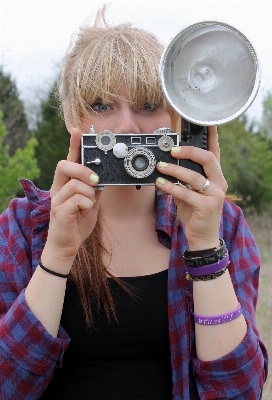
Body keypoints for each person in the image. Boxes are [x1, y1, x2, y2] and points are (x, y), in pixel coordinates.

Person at [0, 5, 268, 399]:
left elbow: (238, 390)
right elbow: (8, 386)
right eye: (103, 106)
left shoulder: (219, 223)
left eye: (147, 106)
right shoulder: (24, 226)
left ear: (176, 117)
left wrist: (205, 248)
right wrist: (56, 254)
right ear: (75, 117)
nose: (127, 127)